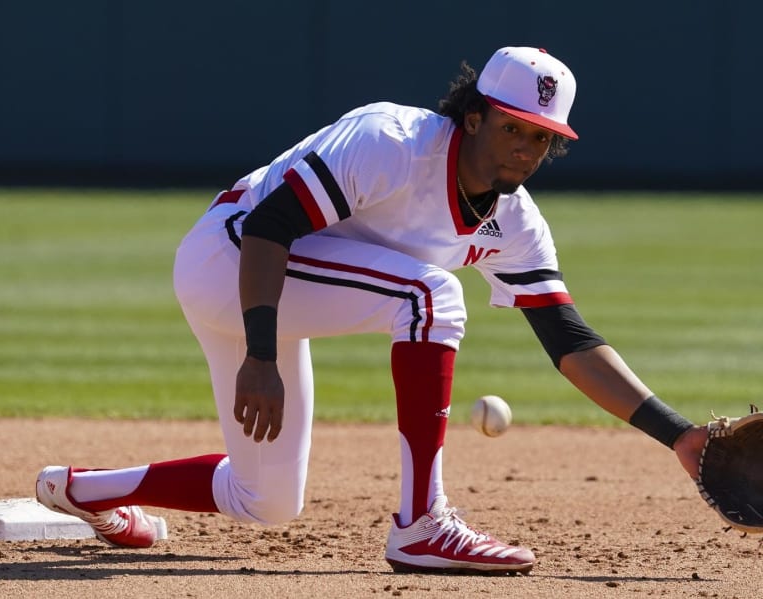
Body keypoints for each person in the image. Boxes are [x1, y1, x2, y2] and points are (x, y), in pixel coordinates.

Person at [36, 46, 709, 575]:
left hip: (276, 287)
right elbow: (270, 226)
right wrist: (261, 354)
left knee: (266, 498)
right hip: (231, 261)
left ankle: (85, 489)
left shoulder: (516, 222)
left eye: (541, 137)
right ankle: (422, 524)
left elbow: (568, 339)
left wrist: (678, 434)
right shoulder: (394, 142)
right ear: (473, 115)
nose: (526, 149)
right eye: (513, 128)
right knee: (429, 295)